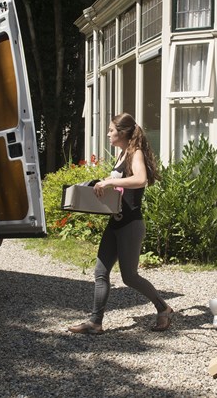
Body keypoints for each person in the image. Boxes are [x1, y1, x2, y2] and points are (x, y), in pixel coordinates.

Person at [68, 113, 174, 334]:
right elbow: (118, 189)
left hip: (130, 224)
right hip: (115, 222)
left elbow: (140, 179)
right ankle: (95, 323)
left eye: (110, 130)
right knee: (100, 272)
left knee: (130, 277)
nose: (108, 134)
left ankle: (163, 308)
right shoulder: (122, 154)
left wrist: (110, 182)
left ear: (122, 132)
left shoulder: (135, 153)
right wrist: (99, 186)